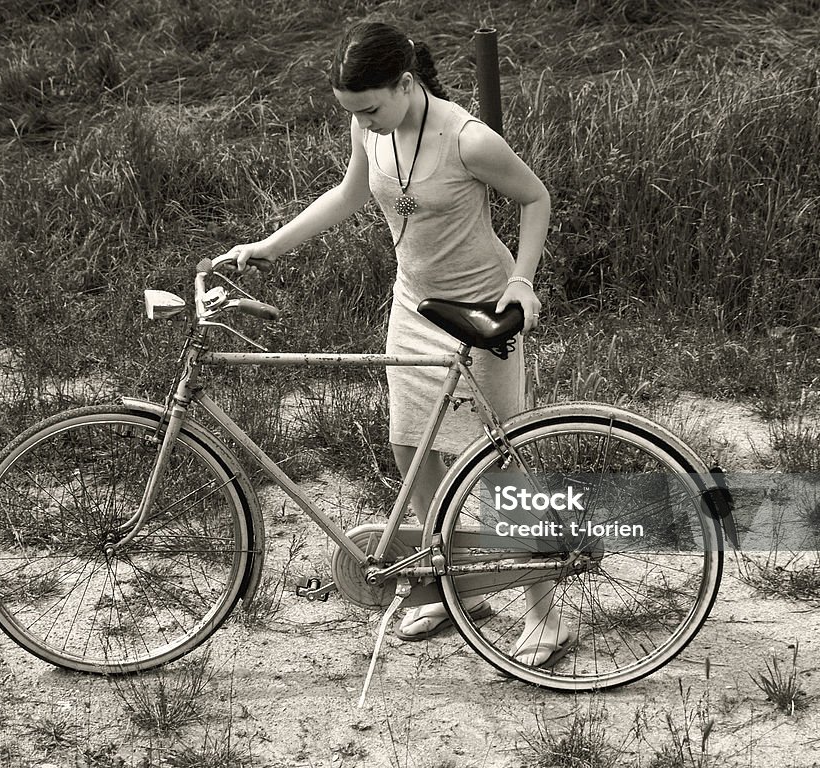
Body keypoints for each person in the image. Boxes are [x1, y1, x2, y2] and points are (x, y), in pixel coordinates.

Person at [215, 21, 573, 667]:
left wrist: (522, 282)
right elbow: (350, 194)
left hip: (480, 305)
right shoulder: (370, 125)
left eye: (371, 108)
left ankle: (546, 611)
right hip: (414, 303)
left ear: (405, 83)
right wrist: (268, 246)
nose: (365, 123)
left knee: (496, 460)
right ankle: (445, 581)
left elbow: (535, 197)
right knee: (414, 450)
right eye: (353, 113)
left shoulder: (469, 140)